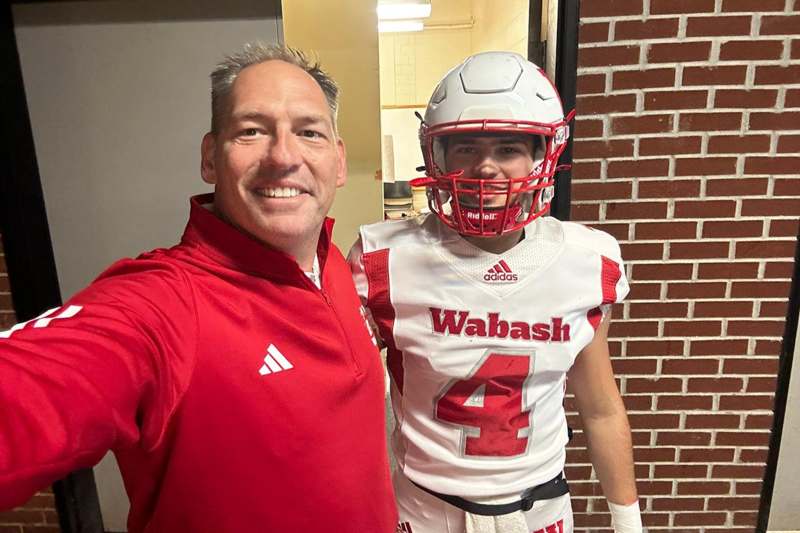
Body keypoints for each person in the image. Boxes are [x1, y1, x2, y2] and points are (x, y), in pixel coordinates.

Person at [0, 43, 397, 532]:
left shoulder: (332, 259)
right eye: (252, 131)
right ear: (210, 158)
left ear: (337, 162)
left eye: (308, 132)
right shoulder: (163, 304)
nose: (284, 156)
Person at [348, 51, 642, 533]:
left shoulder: (588, 260)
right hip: (424, 508)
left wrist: (628, 522)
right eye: (465, 148)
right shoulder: (384, 259)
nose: (486, 168)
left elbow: (601, 404)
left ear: (543, 156)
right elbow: (341, 394)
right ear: (436, 156)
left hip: (540, 510)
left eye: (508, 148)